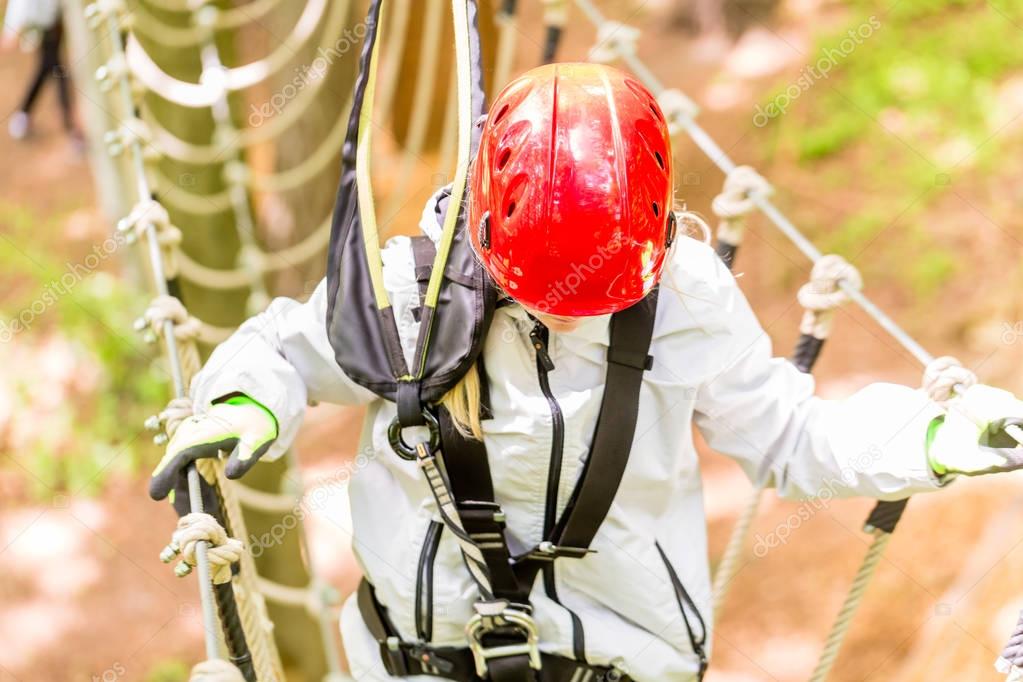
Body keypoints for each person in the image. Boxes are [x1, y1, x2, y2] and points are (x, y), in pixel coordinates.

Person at [149, 63, 1023, 681]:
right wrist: (241, 402)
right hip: (414, 661)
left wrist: (930, 437)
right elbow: (287, 350)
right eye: (545, 296)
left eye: (596, 298)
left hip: (620, 660)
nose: (569, 312)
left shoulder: (684, 299)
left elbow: (785, 432)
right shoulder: (413, 292)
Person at [2, 0, 78, 143]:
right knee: (56, 71)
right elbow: (19, 7)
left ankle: (24, 115)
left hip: (52, 28)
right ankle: (71, 128)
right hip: (47, 31)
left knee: (47, 70)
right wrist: (11, 31)